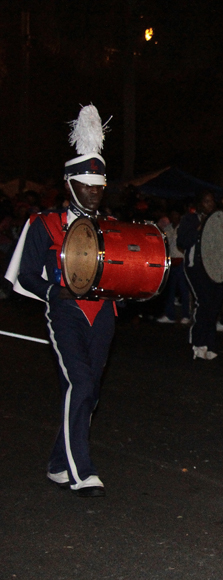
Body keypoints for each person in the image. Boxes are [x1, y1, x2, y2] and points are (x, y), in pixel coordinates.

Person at [4, 105, 114, 497]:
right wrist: (55, 291)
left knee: (90, 390)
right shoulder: (44, 223)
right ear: (70, 184)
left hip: (103, 313)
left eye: (99, 186)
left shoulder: (110, 228)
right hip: (65, 311)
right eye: (86, 185)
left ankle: (57, 463)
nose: (94, 192)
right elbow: (26, 275)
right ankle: (82, 470)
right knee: (80, 383)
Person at [178, 190, 223, 360]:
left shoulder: (219, 220)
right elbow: (182, 242)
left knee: (214, 307)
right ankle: (198, 342)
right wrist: (199, 230)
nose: (210, 204)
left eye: (211, 201)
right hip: (196, 267)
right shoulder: (190, 219)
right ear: (199, 203)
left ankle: (210, 344)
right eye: (206, 201)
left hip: (216, 268)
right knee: (204, 303)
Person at [156, 209, 192, 325]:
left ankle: (186, 315)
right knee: (170, 290)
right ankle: (169, 314)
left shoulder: (183, 227)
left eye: (176, 214)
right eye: (172, 215)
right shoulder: (167, 228)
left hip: (181, 260)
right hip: (171, 261)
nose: (174, 217)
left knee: (183, 289)